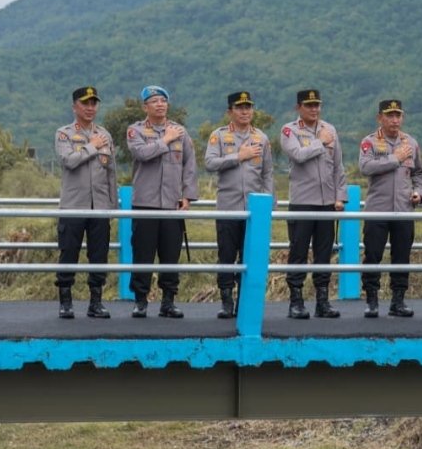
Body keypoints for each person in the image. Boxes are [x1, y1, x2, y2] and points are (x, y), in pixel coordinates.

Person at [126, 85, 198, 319]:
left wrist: (187, 195)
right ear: (145, 106)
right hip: (145, 203)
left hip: (171, 204)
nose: (160, 105)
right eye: (154, 101)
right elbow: (142, 154)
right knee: (143, 254)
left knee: (170, 254)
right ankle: (140, 300)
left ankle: (168, 301)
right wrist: (165, 140)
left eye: (163, 101)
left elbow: (190, 165)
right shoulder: (136, 130)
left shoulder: (180, 131)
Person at [204, 91, 275, 319]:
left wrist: (268, 201)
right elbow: (210, 163)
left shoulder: (261, 138)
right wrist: (238, 156)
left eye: (248, 107)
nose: (245, 112)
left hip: (254, 210)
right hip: (228, 207)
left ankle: (245, 302)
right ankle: (226, 301)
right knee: (226, 255)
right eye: (240, 108)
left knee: (250, 256)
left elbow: (268, 173)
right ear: (230, 111)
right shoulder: (219, 136)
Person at [280, 89, 347, 320]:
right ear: (298, 107)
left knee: (324, 253)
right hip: (302, 202)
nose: (314, 109)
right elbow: (298, 155)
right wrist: (320, 142)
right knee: (298, 251)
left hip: (327, 202)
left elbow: (338, 167)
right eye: (309, 105)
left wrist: (340, 196)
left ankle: (322, 302)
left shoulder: (330, 130)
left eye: (317, 105)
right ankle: (296, 301)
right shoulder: (290, 130)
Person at [359, 99, 422, 318]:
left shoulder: (411, 143)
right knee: (373, 255)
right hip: (377, 210)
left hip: (404, 209)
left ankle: (398, 301)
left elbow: (419, 173)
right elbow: (365, 167)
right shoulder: (369, 142)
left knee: (402, 256)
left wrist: (419, 192)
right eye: (390, 115)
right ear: (380, 118)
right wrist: (394, 159)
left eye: (398, 115)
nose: (395, 120)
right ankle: (371, 300)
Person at [54, 86, 117, 319]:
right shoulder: (65, 134)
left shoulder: (105, 134)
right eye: (85, 103)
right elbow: (69, 160)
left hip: (100, 205)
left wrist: (112, 206)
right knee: (68, 252)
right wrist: (93, 146)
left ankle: (96, 302)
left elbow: (111, 172)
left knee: (99, 254)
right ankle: (65, 302)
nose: (90, 108)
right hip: (73, 205)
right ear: (75, 107)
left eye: (94, 103)